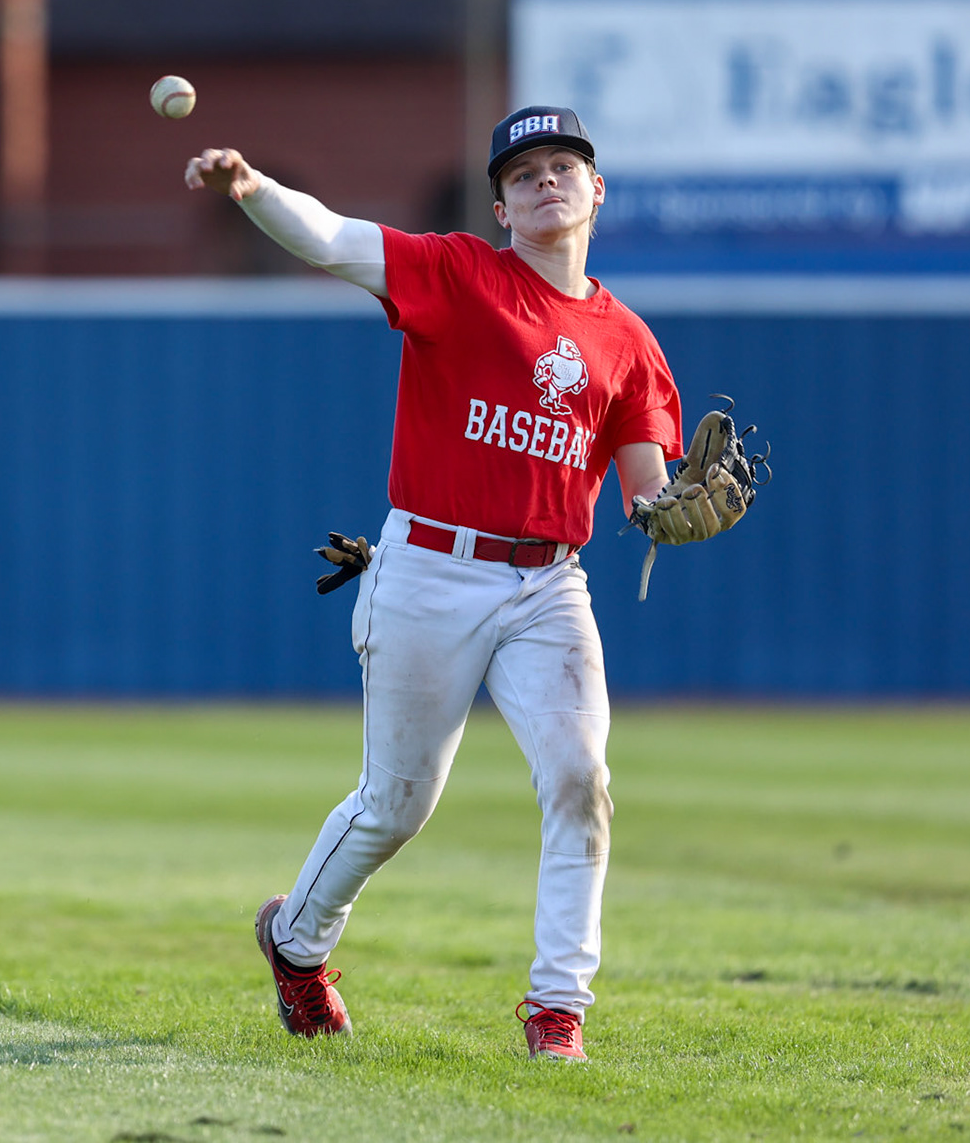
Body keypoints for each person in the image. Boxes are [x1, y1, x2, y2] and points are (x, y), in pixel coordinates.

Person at [185, 107, 694, 1063]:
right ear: (500, 205)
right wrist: (252, 190)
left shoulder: (627, 340)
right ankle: (296, 944)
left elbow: (647, 495)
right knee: (397, 804)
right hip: (428, 567)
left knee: (582, 780)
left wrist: (680, 509)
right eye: (526, 171)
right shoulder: (460, 274)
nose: (548, 180)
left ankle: (557, 1012)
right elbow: (335, 240)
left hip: (548, 584)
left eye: (564, 165)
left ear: (596, 190)